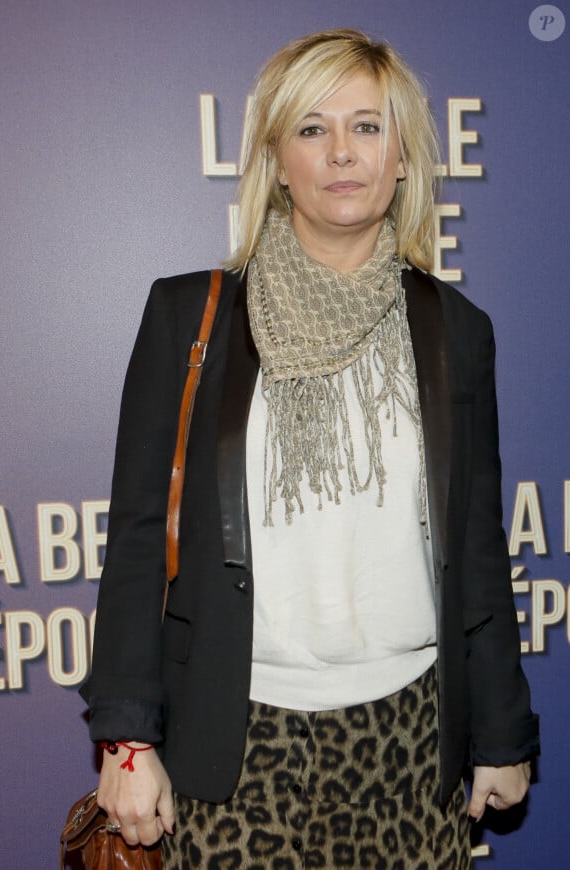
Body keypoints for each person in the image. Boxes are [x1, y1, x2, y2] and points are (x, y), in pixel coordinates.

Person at [81, 29, 539, 869]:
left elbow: (477, 547)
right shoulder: (192, 317)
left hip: (413, 738)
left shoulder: (454, 331)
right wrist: (124, 741)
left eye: (367, 127)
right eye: (311, 128)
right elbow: (141, 541)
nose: (341, 153)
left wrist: (504, 733)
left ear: (403, 157)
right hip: (234, 740)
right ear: (276, 159)